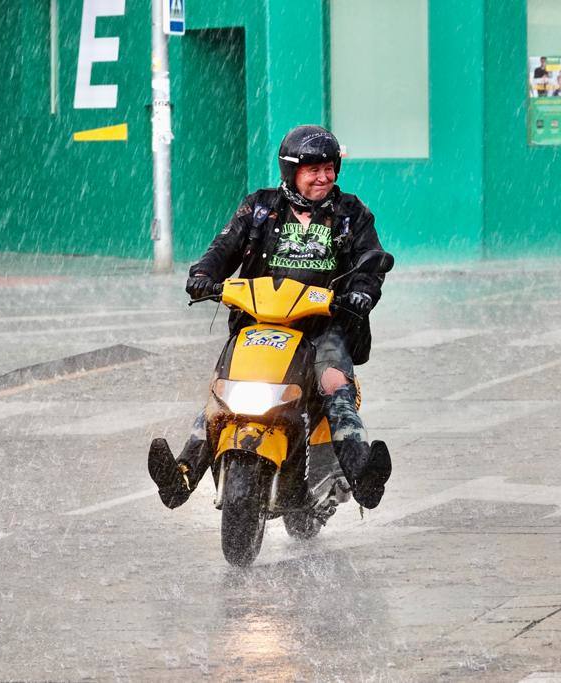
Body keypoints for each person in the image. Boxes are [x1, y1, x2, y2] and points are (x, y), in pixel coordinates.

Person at [147, 125, 392, 511]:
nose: (324, 177)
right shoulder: (259, 208)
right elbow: (223, 247)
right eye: (313, 169)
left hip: (323, 328)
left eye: (329, 168)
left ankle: (364, 479)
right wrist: (202, 276)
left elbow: (370, 262)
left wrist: (362, 291)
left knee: (335, 389)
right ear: (290, 170)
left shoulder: (352, 214)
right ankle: (182, 478)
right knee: (221, 396)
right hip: (258, 325)